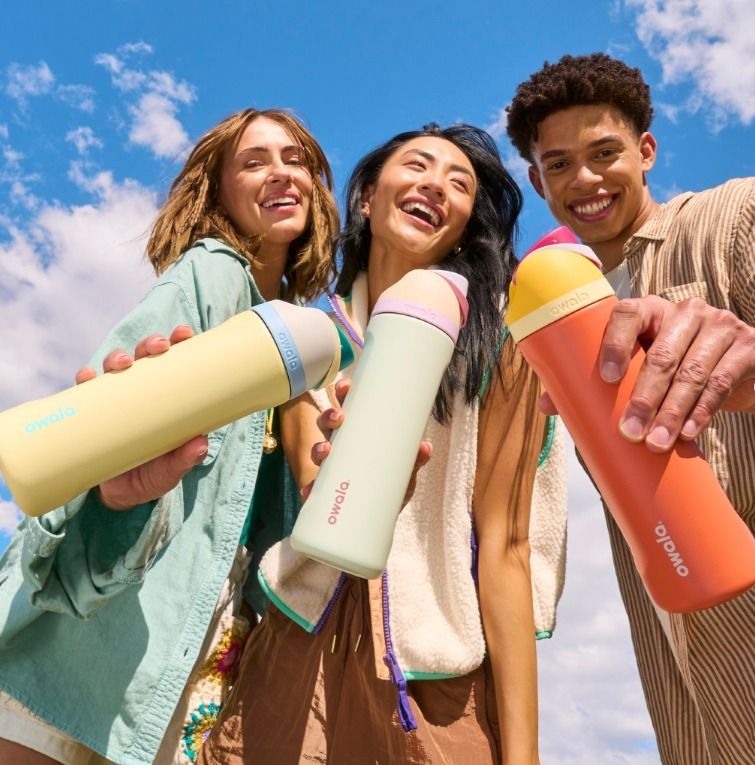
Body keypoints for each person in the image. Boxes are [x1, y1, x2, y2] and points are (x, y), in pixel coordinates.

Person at [198, 123, 568, 765]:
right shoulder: (308, 333)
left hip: (436, 671)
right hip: (296, 648)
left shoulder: (502, 351)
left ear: (464, 229)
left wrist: (523, 756)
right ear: (368, 198)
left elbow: (507, 548)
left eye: (459, 184)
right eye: (418, 166)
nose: (436, 185)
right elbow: (314, 487)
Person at [0, 107, 339, 765]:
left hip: (189, 635)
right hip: (96, 631)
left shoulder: (298, 335)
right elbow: (100, 438)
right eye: (255, 161)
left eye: (295, 159)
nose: (281, 173)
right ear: (217, 192)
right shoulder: (212, 271)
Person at [506, 52, 755, 764]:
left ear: (645, 151)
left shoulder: (732, 219)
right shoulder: (545, 321)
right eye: (558, 164)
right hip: (680, 665)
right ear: (537, 181)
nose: (584, 180)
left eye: (604, 153)